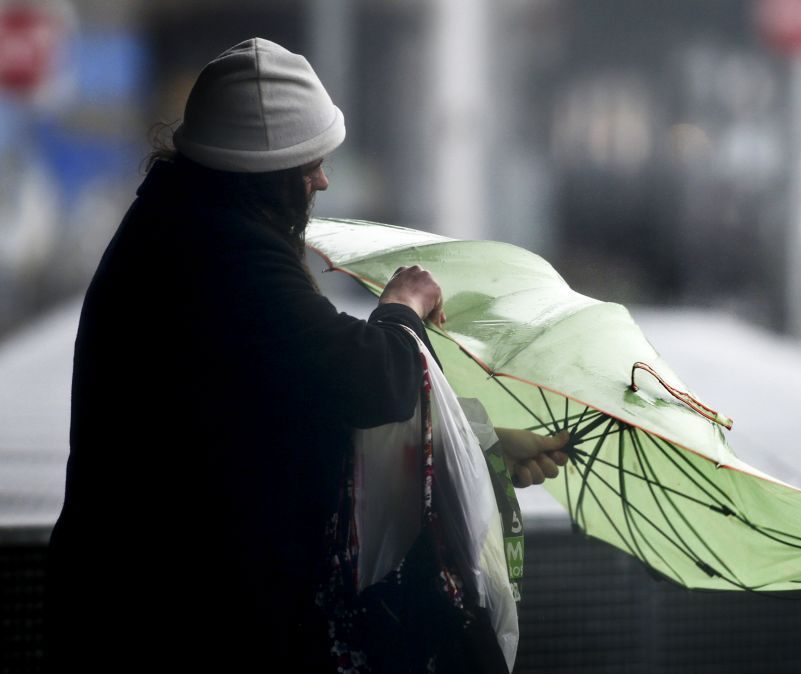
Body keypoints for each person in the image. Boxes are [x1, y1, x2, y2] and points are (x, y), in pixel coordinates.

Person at [45, 38, 566, 672]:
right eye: (307, 166)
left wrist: (479, 444)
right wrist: (403, 307)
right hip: (167, 623)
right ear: (261, 176)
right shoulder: (221, 253)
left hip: (156, 604)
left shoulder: (185, 223)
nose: (322, 179)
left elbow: (299, 387)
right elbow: (369, 378)